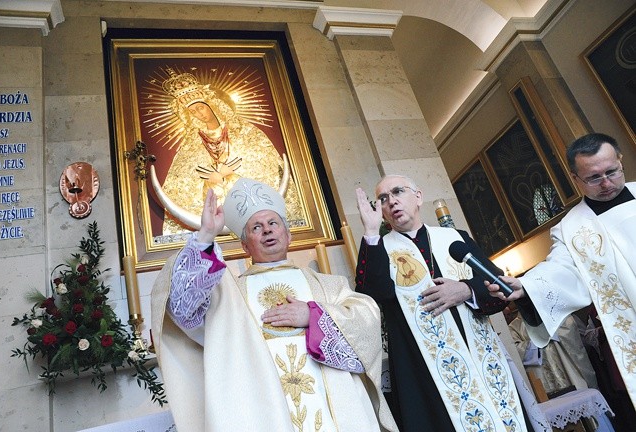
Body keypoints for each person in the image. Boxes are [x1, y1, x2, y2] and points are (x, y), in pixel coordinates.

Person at [151, 177, 397, 432]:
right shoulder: (227, 295)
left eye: (272, 223)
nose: (267, 230)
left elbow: (367, 322)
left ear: (289, 236)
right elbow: (182, 308)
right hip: (259, 411)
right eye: (256, 227)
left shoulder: (328, 286)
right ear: (245, 245)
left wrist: (314, 316)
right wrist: (205, 237)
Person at [355, 174, 533, 432]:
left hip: (479, 362)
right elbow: (372, 298)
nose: (391, 201)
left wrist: (465, 289)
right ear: (380, 211)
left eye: (398, 192)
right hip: (423, 372)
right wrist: (371, 233)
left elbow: (499, 289)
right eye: (383, 198)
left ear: (418, 197)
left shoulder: (453, 238)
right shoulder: (378, 249)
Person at [486, 133, 636, 411]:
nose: (605, 183)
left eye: (611, 172)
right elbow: (561, 269)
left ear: (621, 161)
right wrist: (526, 286)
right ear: (575, 179)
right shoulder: (571, 229)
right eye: (593, 177)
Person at [158, 68, 303, 234]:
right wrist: (210, 180)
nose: (199, 114)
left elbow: (264, 163)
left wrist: (234, 173)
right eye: (193, 111)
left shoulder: (244, 131)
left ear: (211, 105)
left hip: (251, 209)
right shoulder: (191, 145)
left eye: (201, 107)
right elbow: (182, 182)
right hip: (215, 210)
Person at [507, 310, 598, 395]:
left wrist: (551, 335)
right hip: (544, 387)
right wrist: (538, 341)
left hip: (572, 375)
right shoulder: (515, 326)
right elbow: (515, 352)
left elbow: (574, 333)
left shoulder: (560, 316)